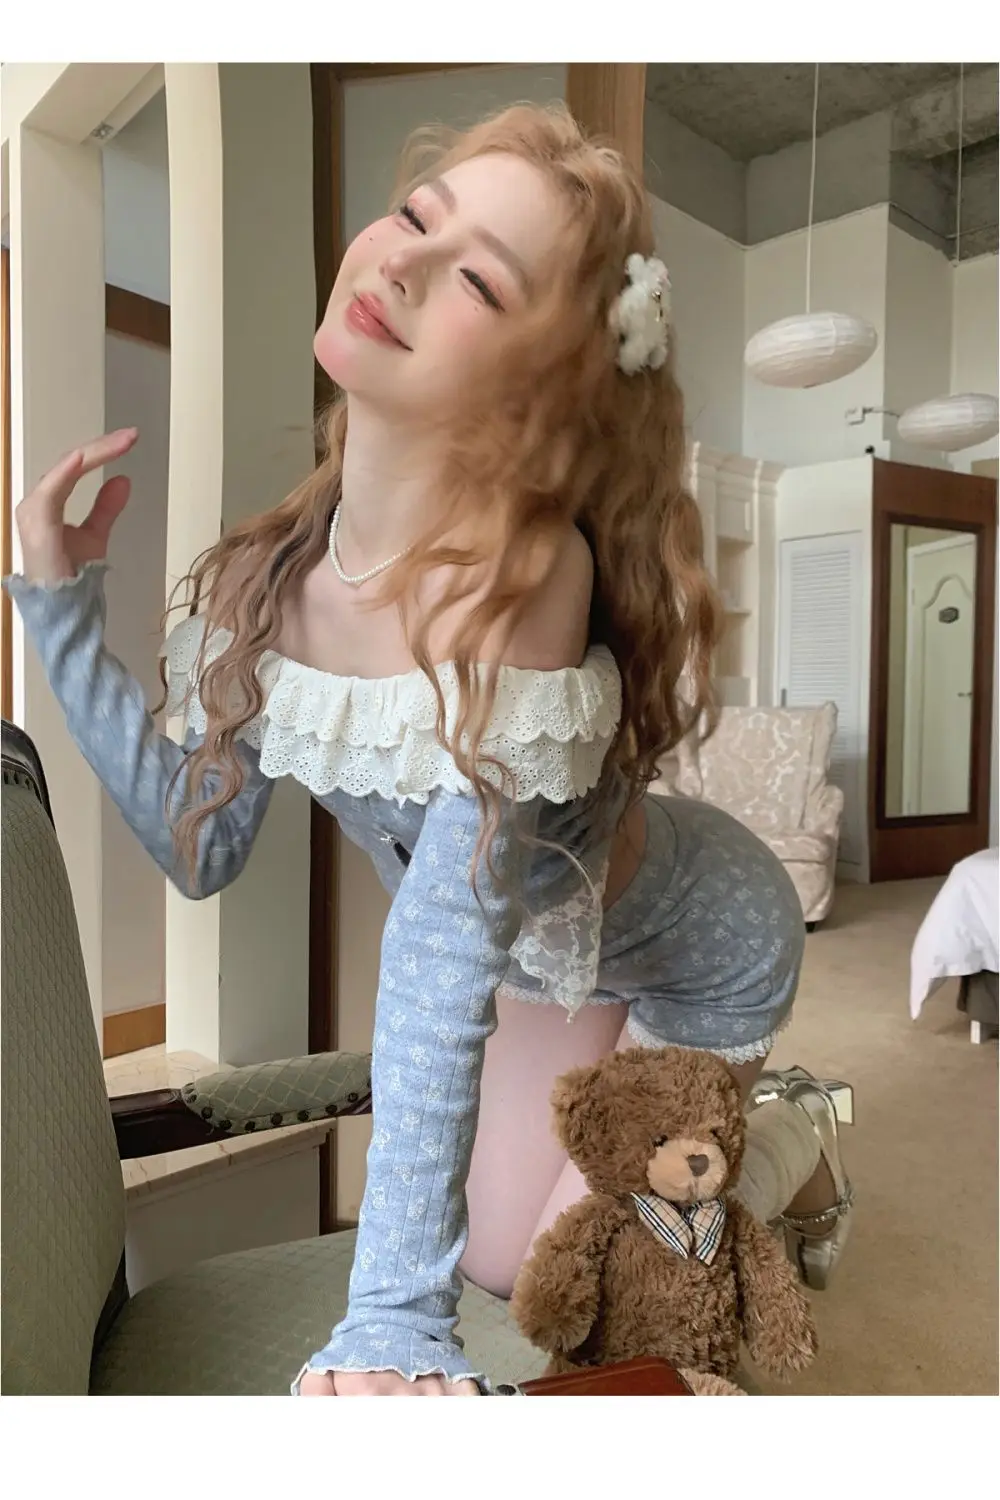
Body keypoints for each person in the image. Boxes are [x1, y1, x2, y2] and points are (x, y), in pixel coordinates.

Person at [8, 102, 853, 1397]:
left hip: (702, 948)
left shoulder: (526, 577)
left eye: (475, 279)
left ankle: (789, 1133)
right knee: (510, 1265)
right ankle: (741, 1130)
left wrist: (392, 1319)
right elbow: (198, 847)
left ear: (543, 388)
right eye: (414, 216)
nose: (399, 260)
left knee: (593, 1293)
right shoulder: (265, 578)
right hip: (543, 958)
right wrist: (61, 613)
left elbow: (440, 949)